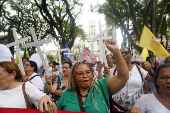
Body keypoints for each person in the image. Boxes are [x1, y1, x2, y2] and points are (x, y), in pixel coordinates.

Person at [57, 39, 129, 112]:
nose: (85, 76)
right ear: (74, 77)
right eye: (80, 73)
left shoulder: (101, 86)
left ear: (92, 73)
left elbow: (122, 77)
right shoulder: (66, 96)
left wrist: (116, 51)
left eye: (88, 72)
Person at [109, 47, 155, 112]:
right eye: (120, 53)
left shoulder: (139, 70)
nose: (123, 55)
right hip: (117, 109)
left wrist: (151, 71)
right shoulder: (113, 71)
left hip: (137, 109)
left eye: (126, 53)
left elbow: (155, 81)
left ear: (131, 56)